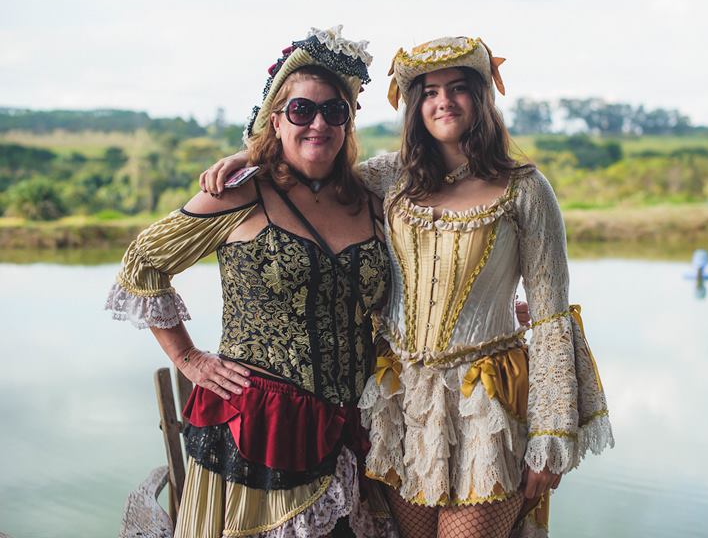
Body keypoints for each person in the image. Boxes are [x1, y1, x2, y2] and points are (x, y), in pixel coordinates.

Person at [203, 35, 614, 538]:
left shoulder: (525, 189)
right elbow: (313, 164)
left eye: (458, 87)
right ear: (414, 105)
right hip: (404, 402)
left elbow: (550, 319)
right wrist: (249, 159)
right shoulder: (389, 178)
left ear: (483, 97)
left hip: (487, 402)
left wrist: (550, 437)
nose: (443, 101)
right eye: (429, 90)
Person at [105, 26, 398, 538]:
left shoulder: (369, 199)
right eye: (302, 111)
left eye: (335, 111)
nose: (319, 124)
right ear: (275, 118)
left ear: (349, 123)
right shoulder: (242, 194)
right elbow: (142, 264)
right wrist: (188, 358)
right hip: (256, 431)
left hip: (351, 429)